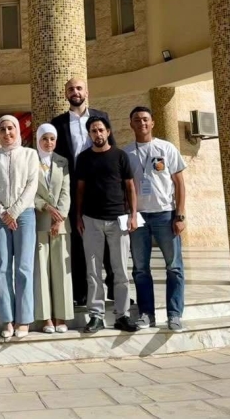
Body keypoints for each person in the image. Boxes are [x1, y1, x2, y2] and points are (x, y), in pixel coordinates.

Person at [49, 77, 115, 307]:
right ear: (66, 94)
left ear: (86, 92)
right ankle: (81, 292)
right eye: (71, 89)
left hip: (101, 188)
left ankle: (114, 290)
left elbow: (112, 150)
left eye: (79, 88)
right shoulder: (58, 123)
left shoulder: (101, 117)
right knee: (77, 241)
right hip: (73, 187)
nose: (75, 92)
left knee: (108, 241)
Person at [124, 107, 187, 332]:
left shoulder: (166, 148)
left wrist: (180, 215)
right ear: (131, 124)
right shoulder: (126, 153)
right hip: (139, 217)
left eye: (145, 119)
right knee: (140, 269)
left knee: (174, 267)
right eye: (137, 120)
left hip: (165, 214)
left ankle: (174, 314)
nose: (141, 123)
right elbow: (125, 187)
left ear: (152, 123)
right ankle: (146, 314)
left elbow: (179, 183)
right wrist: (129, 216)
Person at [75, 117, 138, 334]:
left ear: (108, 132)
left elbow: (130, 187)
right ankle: (96, 316)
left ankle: (122, 315)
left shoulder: (120, 156)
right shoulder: (84, 158)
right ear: (89, 134)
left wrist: (133, 215)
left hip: (118, 220)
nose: (98, 134)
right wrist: (78, 217)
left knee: (120, 271)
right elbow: (80, 189)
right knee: (93, 272)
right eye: (93, 131)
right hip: (91, 220)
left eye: (101, 130)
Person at [0, 115, 39, 339]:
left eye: (11, 128)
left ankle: (23, 319)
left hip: (24, 215)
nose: (7, 133)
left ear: (18, 130)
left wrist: (14, 212)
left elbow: (31, 185)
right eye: (3, 129)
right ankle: (6, 319)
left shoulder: (30, 154)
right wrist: (3, 212)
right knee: (2, 267)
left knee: (24, 267)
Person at [33, 123, 74, 333]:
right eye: (44, 139)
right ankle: (46, 317)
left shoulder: (62, 162)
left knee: (61, 270)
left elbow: (66, 191)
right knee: (41, 270)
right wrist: (45, 206)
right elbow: (28, 190)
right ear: (38, 140)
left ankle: (61, 316)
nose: (48, 143)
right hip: (39, 220)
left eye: (52, 139)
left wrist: (60, 218)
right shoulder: (31, 160)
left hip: (60, 223)